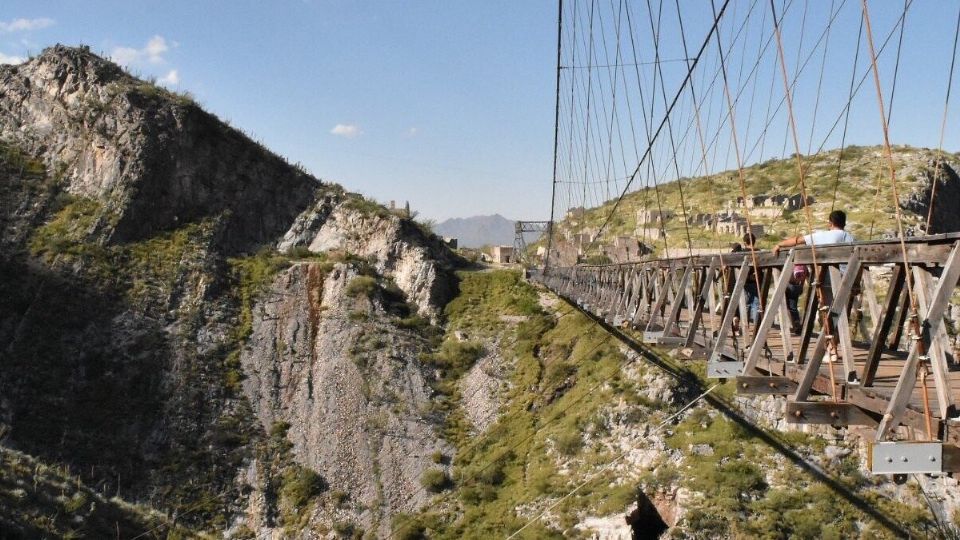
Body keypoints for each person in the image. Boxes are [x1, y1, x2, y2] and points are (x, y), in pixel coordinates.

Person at [772, 210, 854, 255]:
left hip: (827, 279)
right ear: (844, 224)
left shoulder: (821, 235)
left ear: (830, 223)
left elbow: (798, 241)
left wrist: (779, 244)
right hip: (849, 279)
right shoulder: (851, 238)